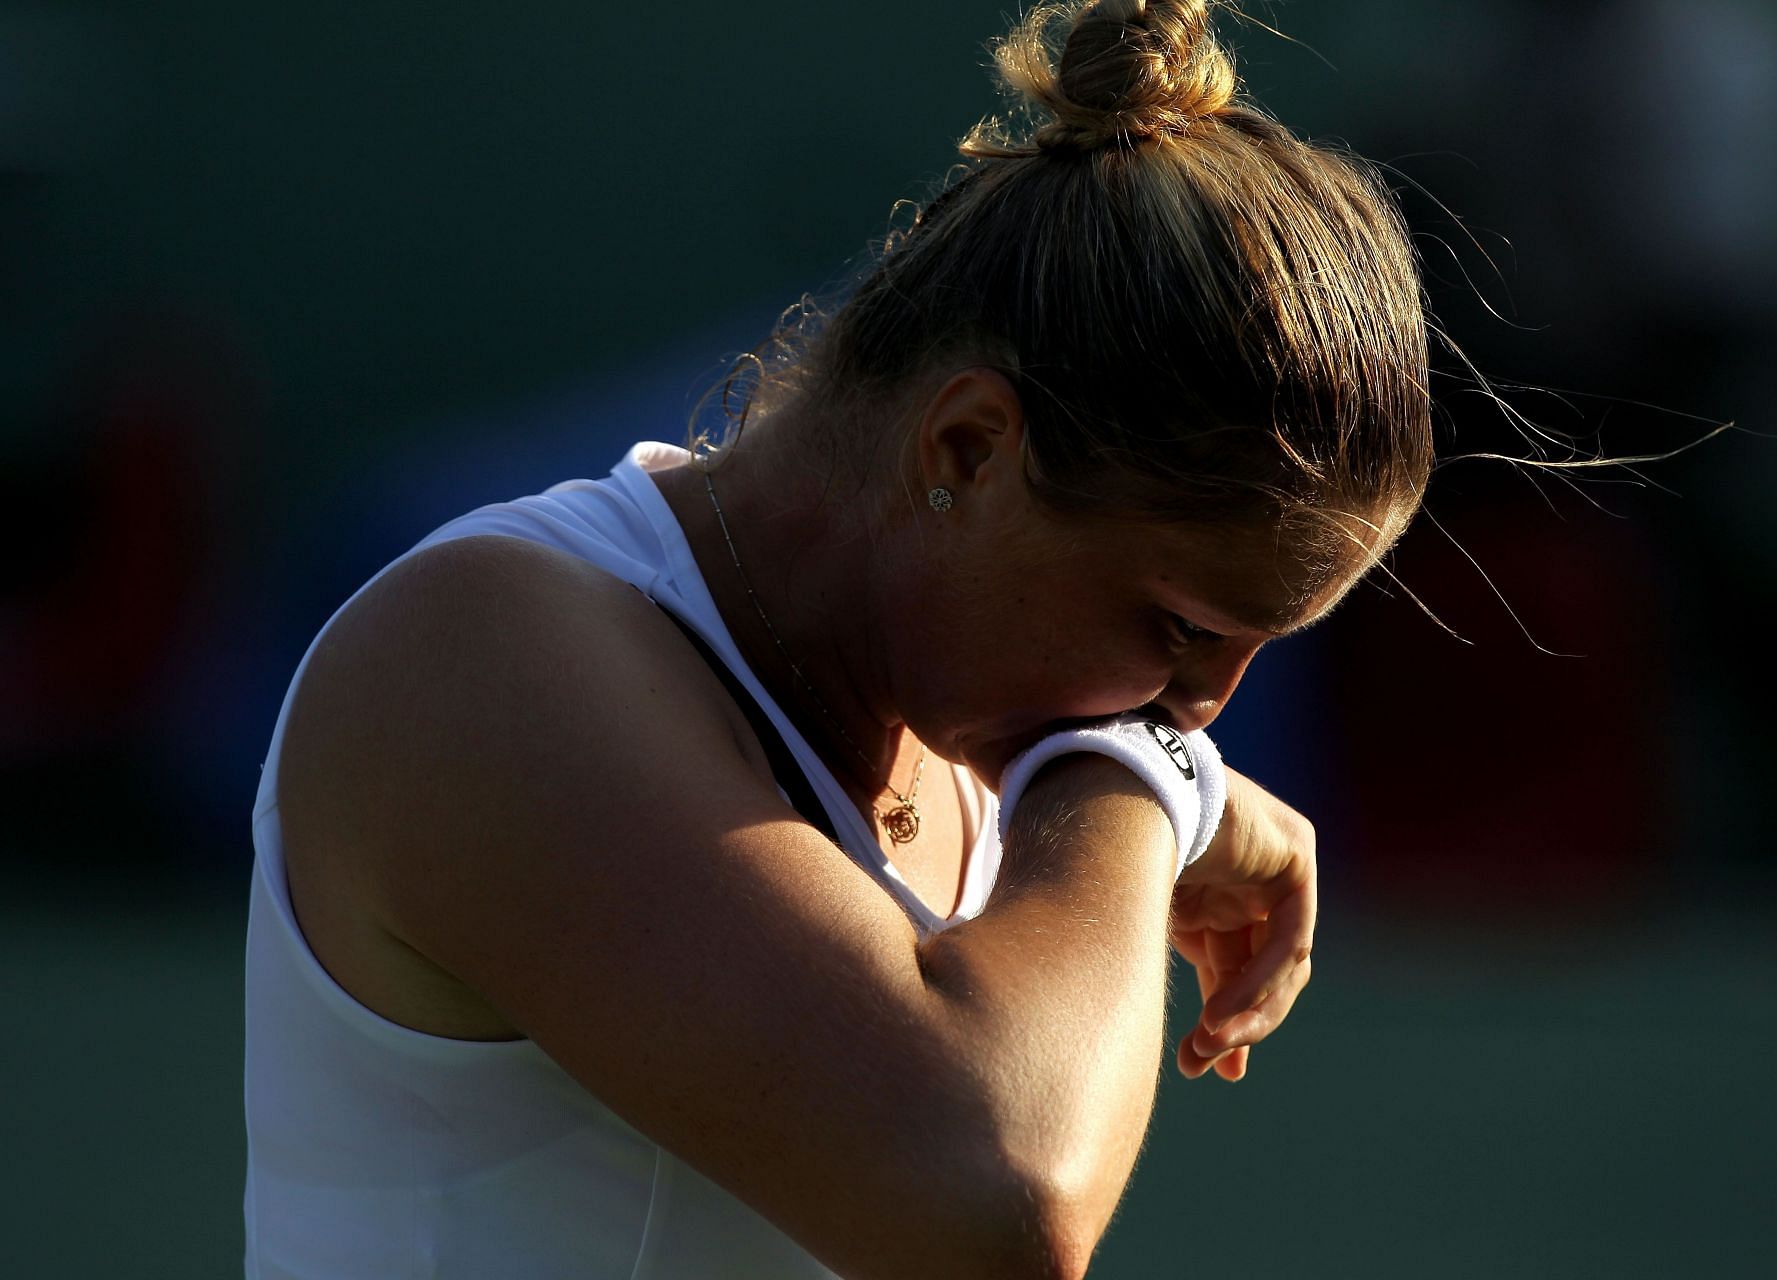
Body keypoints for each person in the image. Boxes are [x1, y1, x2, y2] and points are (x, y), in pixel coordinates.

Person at [242, 1, 1432, 1275]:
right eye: (1183, 627)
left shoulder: (979, 736)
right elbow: (995, 1195)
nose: (1200, 705)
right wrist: (1143, 778)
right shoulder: (477, 657)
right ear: (970, 448)